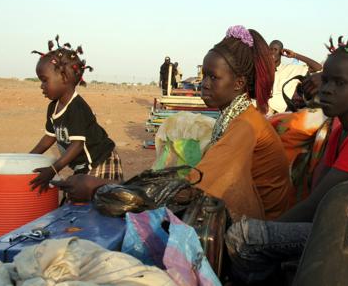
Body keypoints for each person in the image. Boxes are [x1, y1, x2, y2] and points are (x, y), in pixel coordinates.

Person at [54, 26, 294, 221]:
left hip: (263, 230)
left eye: (213, 77)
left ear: (240, 83)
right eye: (204, 76)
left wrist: (99, 188)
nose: (205, 84)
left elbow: (194, 188)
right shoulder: (236, 117)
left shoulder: (244, 125)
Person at [225, 33, 348, 284]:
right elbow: (317, 192)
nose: (327, 90)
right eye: (327, 80)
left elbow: (318, 204)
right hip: (339, 224)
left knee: (242, 237)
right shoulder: (341, 130)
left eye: (339, 83)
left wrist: (269, 229)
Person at [29, 36, 123, 193]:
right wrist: (27, 158)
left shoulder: (76, 107)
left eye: (44, 80)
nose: (41, 86)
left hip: (100, 160)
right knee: (77, 196)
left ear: (64, 77)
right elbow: (49, 138)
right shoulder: (53, 108)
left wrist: (53, 169)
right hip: (83, 164)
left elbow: (77, 145)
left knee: (98, 201)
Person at [268, 40, 322, 114]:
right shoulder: (262, 71)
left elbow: (318, 67)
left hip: (281, 115)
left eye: (275, 50)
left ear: (281, 52)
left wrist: (295, 55)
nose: (272, 52)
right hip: (262, 112)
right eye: (270, 49)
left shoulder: (291, 69)